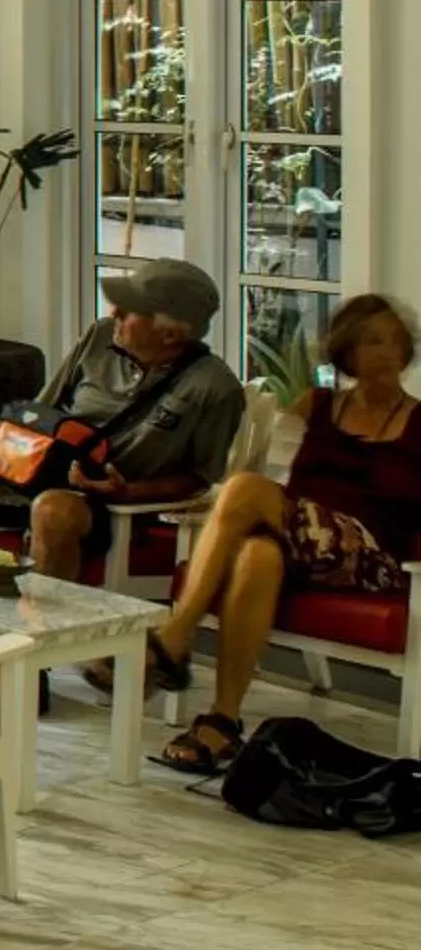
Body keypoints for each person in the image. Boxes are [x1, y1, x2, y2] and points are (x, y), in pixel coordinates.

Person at [144, 294, 421, 771]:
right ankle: (222, 722)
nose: (388, 352)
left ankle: (174, 636)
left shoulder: (419, 423)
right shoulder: (315, 406)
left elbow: (255, 490)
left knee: (244, 488)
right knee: (257, 555)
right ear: (348, 352)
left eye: (396, 342)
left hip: (374, 557)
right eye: (374, 341)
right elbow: (276, 476)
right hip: (302, 541)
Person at [0, 257, 245, 590]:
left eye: (129, 311)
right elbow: (30, 416)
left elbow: (199, 477)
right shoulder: (98, 338)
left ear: (170, 333)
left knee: (52, 509)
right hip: (22, 468)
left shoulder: (213, 388)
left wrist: (125, 492)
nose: (114, 314)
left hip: (99, 504)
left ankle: (37, 651)